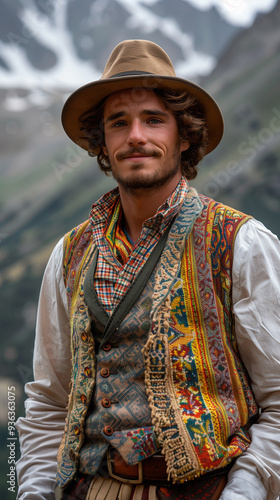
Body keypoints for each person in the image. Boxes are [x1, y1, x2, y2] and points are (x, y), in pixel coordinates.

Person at [16, 39, 280, 500]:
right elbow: (48, 401)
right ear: (103, 143)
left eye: (154, 120)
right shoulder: (69, 253)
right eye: (119, 123)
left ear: (184, 136)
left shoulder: (241, 242)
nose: (136, 135)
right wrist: (34, 492)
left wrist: (246, 490)